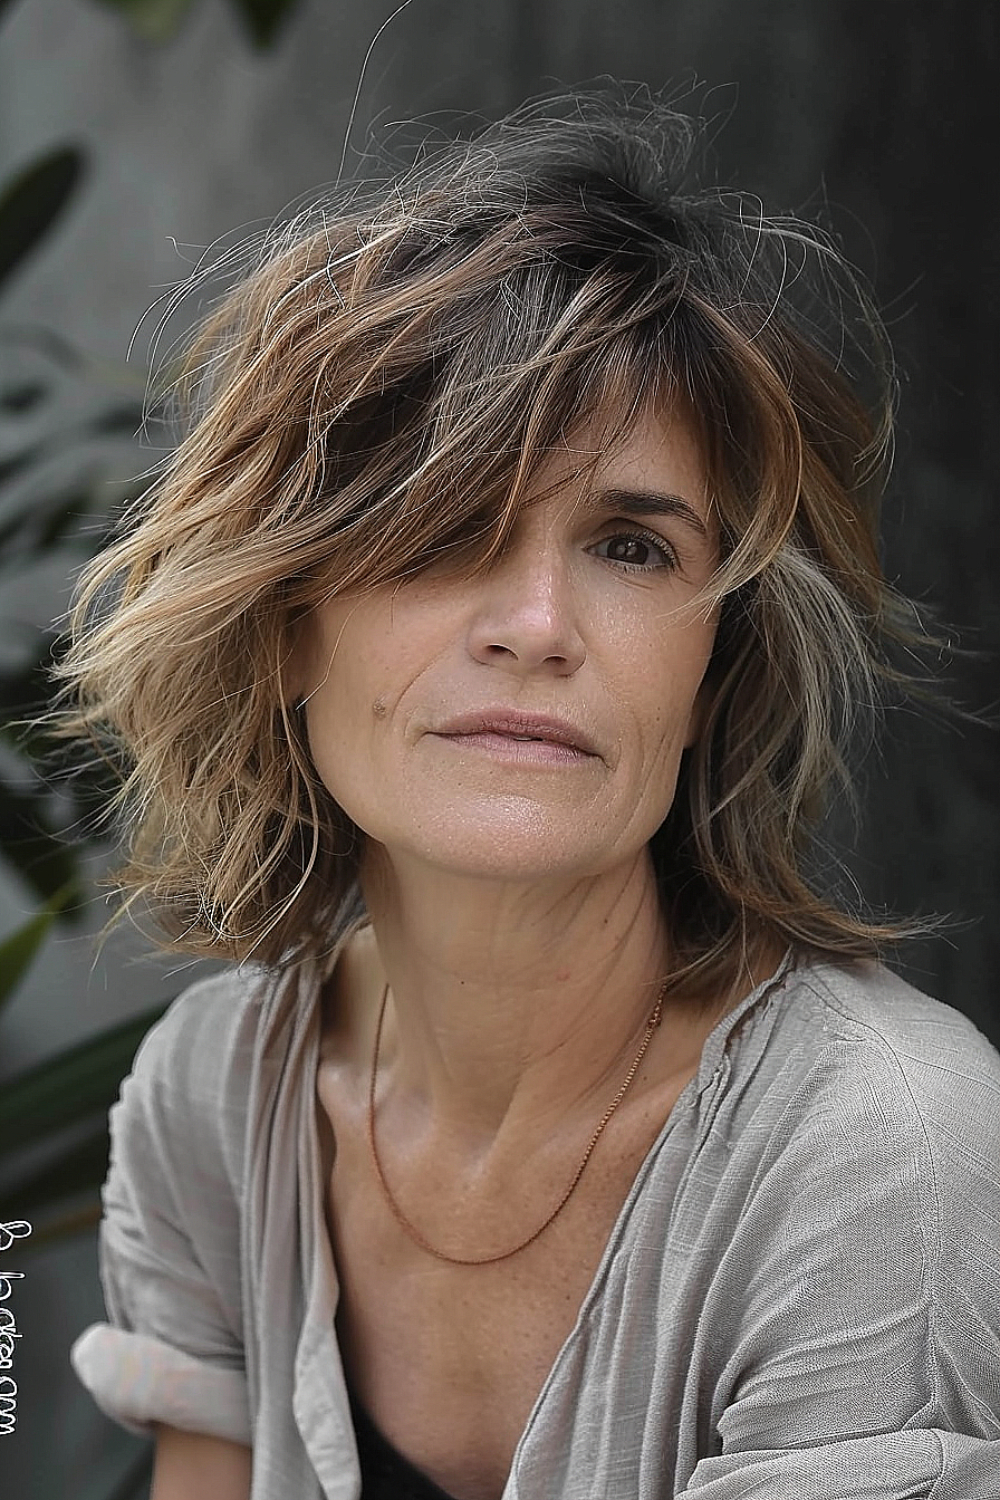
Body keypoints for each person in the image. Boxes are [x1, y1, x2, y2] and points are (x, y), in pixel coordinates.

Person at [62, 88, 999, 1499]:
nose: (539, 622)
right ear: (285, 628)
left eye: (630, 547)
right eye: (444, 529)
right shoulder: (212, 1098)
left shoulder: (879, 1149)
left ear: (715, 661)